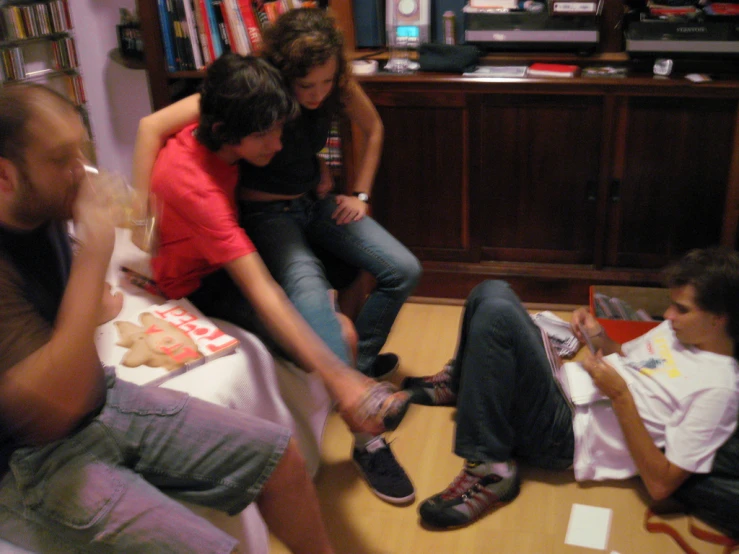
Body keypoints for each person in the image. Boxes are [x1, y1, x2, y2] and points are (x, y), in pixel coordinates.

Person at [0, 83, 337, 553]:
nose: (81, 171)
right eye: (61, 159)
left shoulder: (42, 208)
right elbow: (55, 408)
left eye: (82, 150)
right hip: (26, 460)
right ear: (4, 177)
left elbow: (77, 310)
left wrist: (91, 291)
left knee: (282, 459)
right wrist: (96, 251)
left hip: (101, 398)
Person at [134, 9, 421, 505]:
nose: (280, 143)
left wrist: (325, 174)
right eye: (267, 135)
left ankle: (356, 381)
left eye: (283, 128)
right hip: (202, 279)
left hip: (266, 228)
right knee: (340, 332)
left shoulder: (238, 117)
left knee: (375, 291)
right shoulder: (195, 182)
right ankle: (365, 432)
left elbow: (337, 133)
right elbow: (260, 288)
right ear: (226, 129)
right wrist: (141, 223)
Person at [403, 247, 739, 529]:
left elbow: (661, 484)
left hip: (568, 435)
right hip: (566, 386)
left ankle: (492, 470)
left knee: (497, 314)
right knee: (491, 291)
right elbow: (629, 359)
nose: (667, 314)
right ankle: (463, 384)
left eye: (681, 309)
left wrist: (620, 395)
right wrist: (595, 336)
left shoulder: (717, 390)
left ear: (718, 318)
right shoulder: (678, 332)